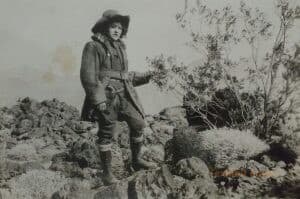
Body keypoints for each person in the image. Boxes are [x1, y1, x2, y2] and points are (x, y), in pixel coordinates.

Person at [80, 9, 157, 185]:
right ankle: (107, 175)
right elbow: (88, 77)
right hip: (106, 97)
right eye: (113, 27)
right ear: (105, 27)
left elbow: (123, 75)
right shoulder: (93, 46)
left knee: (139, 123)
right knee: (106, 133)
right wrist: (98, 100)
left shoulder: (120, 47)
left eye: (120, 28)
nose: (117, 30)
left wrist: (147, 76)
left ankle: (136, 160)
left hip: (125, 94)